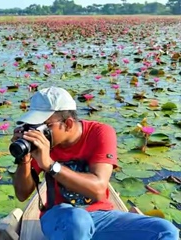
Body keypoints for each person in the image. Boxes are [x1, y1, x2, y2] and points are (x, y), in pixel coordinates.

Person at [12, 86, 179, 240]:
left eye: (44, 126)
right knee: (77, 222)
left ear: (68, 123)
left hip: (101, 215)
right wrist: (23, 160)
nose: (37, 132)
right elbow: (22, 194)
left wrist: (49, 164)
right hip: (61, 217)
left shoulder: (100, 132)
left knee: (165, 230)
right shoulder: (39, 143)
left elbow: (98, 189)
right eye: (34, 125)